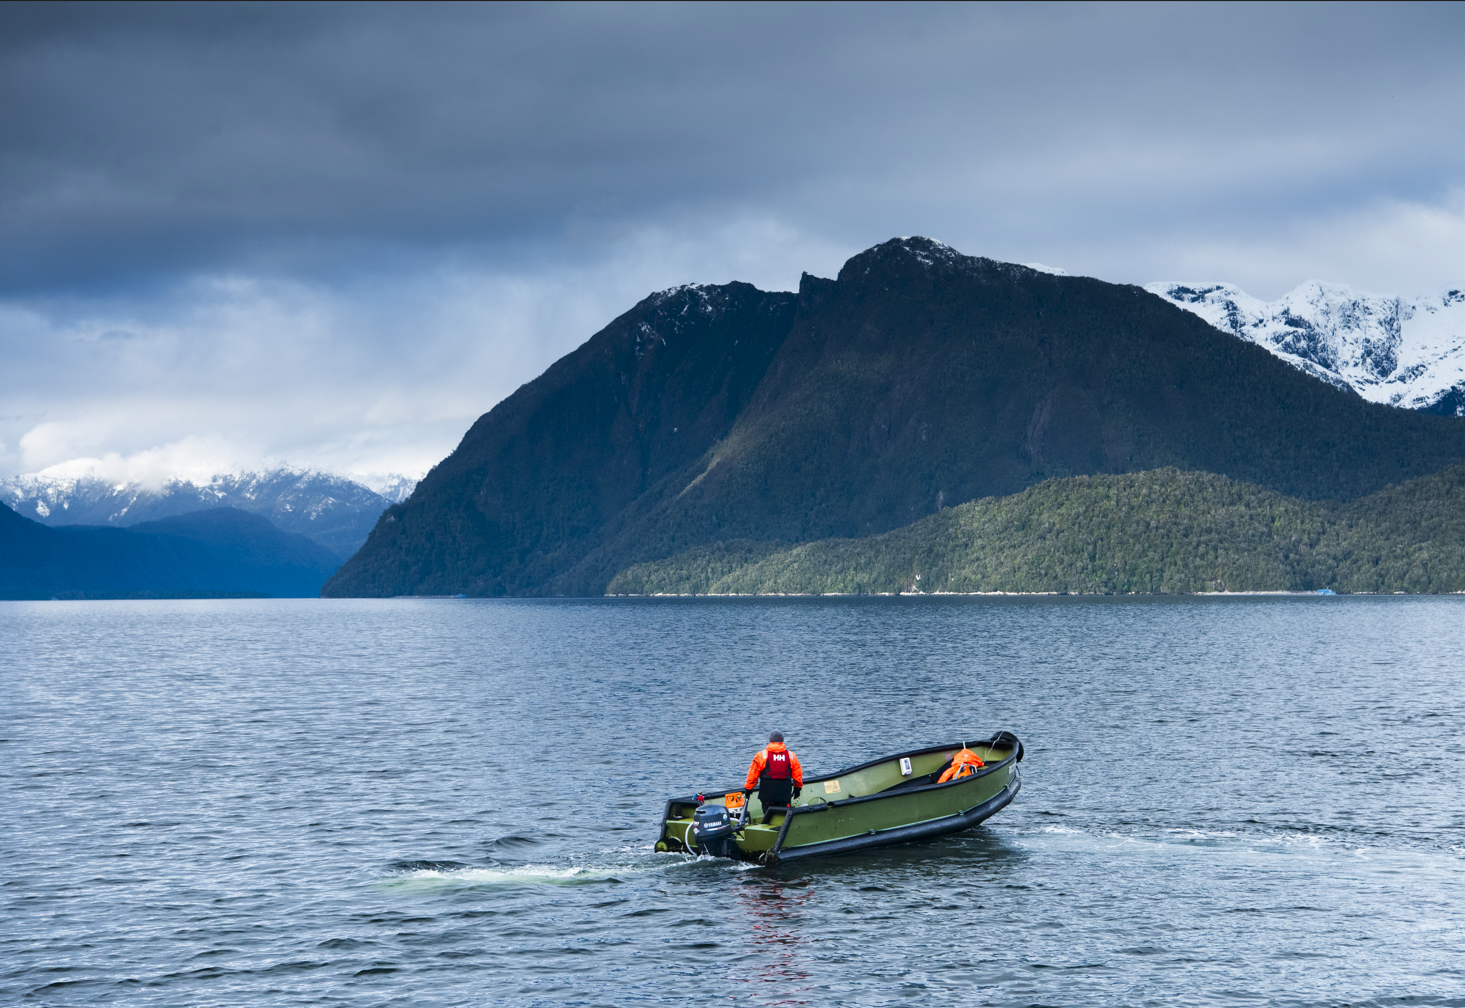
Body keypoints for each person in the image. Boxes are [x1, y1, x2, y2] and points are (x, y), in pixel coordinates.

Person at [745, 732, 803, 820]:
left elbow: (752, 775)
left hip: (767, 797)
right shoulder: (791, 756)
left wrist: (748, 789)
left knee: (769, 818)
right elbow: (797, 776)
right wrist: (797, 789)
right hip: (784, 796)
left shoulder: (761, 755)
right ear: (782, 742)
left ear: (770, 741)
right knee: (784, 819)